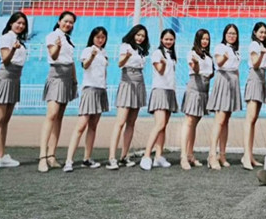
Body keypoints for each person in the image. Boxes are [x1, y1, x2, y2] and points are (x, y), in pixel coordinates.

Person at [0, 12, 28, 172]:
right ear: (11, 23)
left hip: (15, 78)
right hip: (6, 76)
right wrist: (14, 50)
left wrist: (17, 47)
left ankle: (1, 156)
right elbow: (5, 59)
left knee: (5, 120)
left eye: (23, 24)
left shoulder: (19, 41)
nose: (20, 26)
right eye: (18, 23)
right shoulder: (6, 38)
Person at [63, 27, 110, 172]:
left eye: (103, 37)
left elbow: (104, 72)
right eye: (98, 37)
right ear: (92, 37)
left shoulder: (104, 52)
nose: (100, 40)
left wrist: (104, 86)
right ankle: (69, 160)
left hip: (101, 89)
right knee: (81, 125)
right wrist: (92, 56)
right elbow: (85, 65)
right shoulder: (87, 50)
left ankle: (87, 158)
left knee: (93, 126)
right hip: (89, 89)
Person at [38, 11, 78, 173]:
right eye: (66, 21)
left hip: (68, 77)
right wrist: (58, 46)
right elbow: (53, 56)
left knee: (59, 117)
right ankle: (42, 157)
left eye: (71, 22)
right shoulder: (53, 36)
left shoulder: (68, 39)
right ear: (59, 21)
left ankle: (51, 155)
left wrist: (74, 80)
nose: (68, 24)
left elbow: (71, 61)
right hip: (56, 74)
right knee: (51, 115)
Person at [106, 24, 150, 170]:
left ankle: (124, 156)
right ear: (133, 34)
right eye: (138, 35)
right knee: (120, 122)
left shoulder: (142, 50)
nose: (140, 38)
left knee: (131, 122)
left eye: (143, 36)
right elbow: (120, 63)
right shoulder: (125, 46)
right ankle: (112, 157)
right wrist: (127, 56)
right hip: (127, 82)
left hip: (139, 83)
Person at [140, 29, 179, 170]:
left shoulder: (172, 55)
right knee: (159, 124)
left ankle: (158, 156)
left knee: (163, 126)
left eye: (171, 39)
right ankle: (146, 156)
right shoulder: (157, 53)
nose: (168, 41)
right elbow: (160, 71)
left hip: (170, 91)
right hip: (160, 90)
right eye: (166, 39)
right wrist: (163, 63)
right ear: (161, 39)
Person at [206, 24, 242, 170]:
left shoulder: (236, 50)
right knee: (219, 119)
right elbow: (219, 63)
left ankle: (222, 154)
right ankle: (212, 155)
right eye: (229, 33)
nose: (232, 36)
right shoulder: (221, 47)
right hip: (223, 80)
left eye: (234, 34)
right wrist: (224, 58)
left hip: (233, 81)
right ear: (225, 34)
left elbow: (236, 68)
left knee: (226, 120)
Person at [180, 29, 213, 170]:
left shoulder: (208, 56)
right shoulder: (192, 53)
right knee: (189, 121)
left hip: (204, 89)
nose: (205, 41)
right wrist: (196, 64)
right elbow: (195, 69)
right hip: (194, 87)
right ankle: (183, 156)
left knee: (195, 123)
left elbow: (210, 73)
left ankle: (190, 154)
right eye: (202, 38)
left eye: (207, 39)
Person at [243, 22, 266, 170]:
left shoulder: (260, 45)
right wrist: (262, 54)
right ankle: (246, 156)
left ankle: (250, 155)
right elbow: (255, 64)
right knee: (250, 119)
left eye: (265, 32)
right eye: (260, 32)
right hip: (255, 78)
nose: (263, 35)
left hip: (261, 79)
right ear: (254, 32)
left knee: (253, 120)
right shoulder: (254, 45)